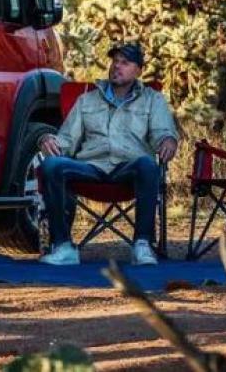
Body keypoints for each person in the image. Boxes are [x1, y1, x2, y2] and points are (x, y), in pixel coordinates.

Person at [39, 42, 178, 266]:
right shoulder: (87, 100)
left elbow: (162, 132)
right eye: (115, 61)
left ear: (138, 70)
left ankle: (143, 244)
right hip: (91, 166)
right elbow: (67, 140)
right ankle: (63, 246)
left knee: (148, 165)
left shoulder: (152, 99)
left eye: (125, 62)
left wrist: (168, 140)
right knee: (52, 166)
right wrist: (48, 140)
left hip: (129, 167)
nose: (117, 67)